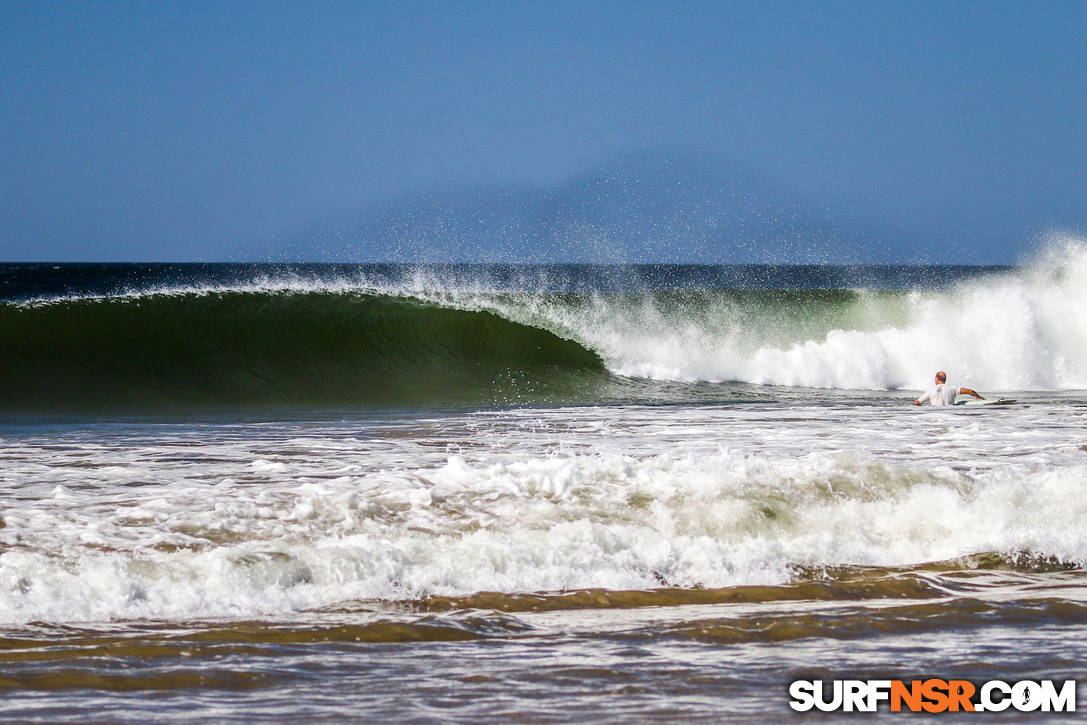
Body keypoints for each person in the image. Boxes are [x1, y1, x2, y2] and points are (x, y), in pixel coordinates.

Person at [913, 370, 984, 406]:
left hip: (935, 415)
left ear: (937, 379)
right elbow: (970, 391)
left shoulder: (930, 390)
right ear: (945, 379)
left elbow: (917, 403)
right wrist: (978, 397)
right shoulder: (952, 388)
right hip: (949, 414)